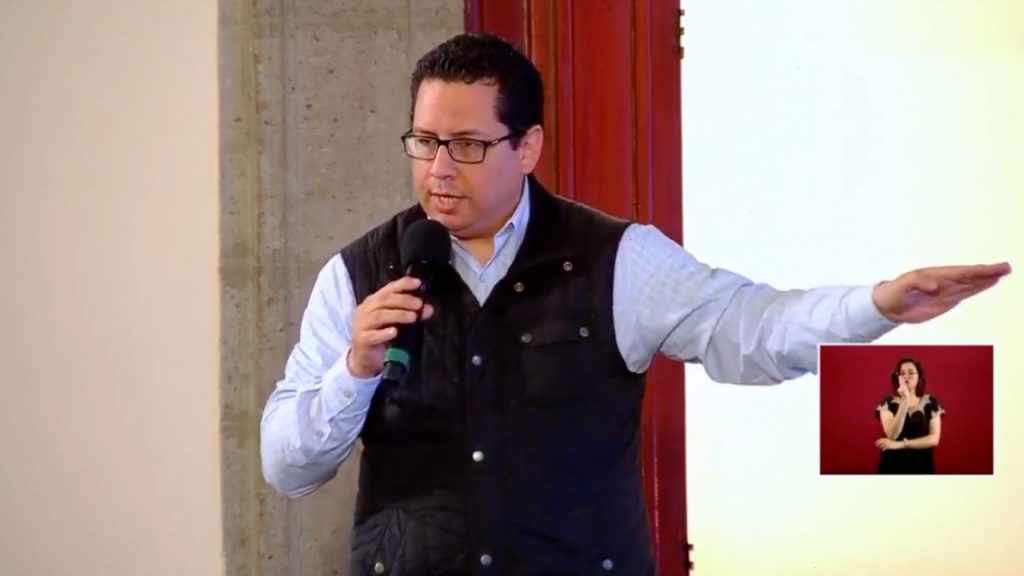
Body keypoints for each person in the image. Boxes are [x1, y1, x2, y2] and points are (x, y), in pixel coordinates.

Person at [259, 32, 1010, 576]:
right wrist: (355, 369)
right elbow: (288, 468)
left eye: (468, 145)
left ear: (528, 146)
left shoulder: (616, 259)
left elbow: (751, 326)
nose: (439, 169)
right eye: (424, 142)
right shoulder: (359, 274)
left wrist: (876, 306)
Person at [875, 357, 945, 474]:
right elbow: (892, 435)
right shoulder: (888, 402)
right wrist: (905, 401)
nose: (906, 376)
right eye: (902, 373)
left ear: (919, 376)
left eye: (911, 372)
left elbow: (934, 439)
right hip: (892, 466)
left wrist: (901, 444)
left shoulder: (931, 402)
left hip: (922, 466)